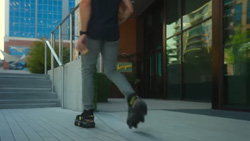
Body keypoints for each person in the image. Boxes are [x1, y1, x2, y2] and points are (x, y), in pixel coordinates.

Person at [75, 0, 147, 129]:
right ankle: (133, 98)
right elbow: (130, 10)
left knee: (88, 71)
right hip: (112, 33)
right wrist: (117, 22)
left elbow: (85, 4)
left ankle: (88, 115)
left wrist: (83, 33)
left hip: (93, 32)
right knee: (111, 70)